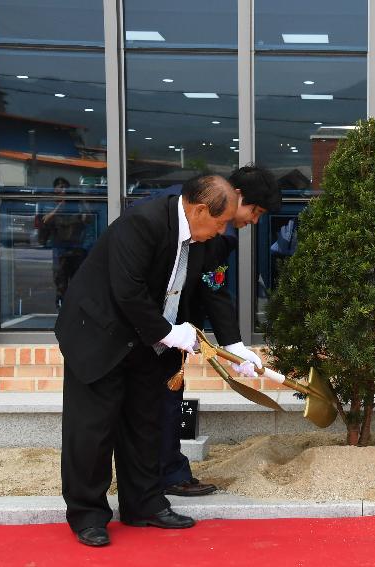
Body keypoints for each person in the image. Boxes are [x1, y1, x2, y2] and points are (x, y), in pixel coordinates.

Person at [55, 174, 238, 547]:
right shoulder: (143, 222)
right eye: (220, 222)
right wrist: (171, 333)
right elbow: (128, 291)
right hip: (98, 334)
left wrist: (235, 346)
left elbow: (208, 289)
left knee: (144, 424)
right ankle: (88, 515)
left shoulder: (199, 239)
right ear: (200, 209)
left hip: (144, 340)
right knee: (92, 430)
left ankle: (144, 504)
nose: (222, 231)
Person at [155, 165, 282, 497]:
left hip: (170, 327)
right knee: (161, 401)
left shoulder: (213, 230)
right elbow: (214, 290)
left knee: (167, 398)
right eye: (255, 211)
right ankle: (165, 474)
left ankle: (165, 471)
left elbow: (214, 286)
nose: (254, 221)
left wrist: (233, 345)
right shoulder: (201, 226)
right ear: (236, 196)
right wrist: (231, 343)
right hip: (155, 325)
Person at [36, 177, 92, 309]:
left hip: (77, 249)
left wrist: (82, 201)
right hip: (60, 249)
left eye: (64, 187)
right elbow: (45, 221)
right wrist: (59, 207)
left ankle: (75, 309)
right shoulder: (50, 204)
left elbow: (88, 218)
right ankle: (61, 306)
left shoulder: (76, 204)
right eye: (59, 187)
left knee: (77, 282)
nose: (62, 190)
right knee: (60, 281)